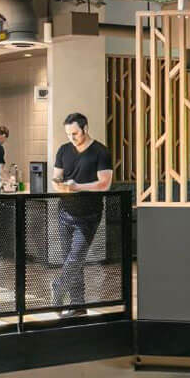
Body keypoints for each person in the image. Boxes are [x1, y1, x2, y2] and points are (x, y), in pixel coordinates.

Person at [51, 112, 112, 316]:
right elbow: (56, 177)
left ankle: (59, 286)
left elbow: (105, 184)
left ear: (85, 129)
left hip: (88, 215)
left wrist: (78, 187)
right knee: (70, 258)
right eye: (68, 134)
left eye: (75, 133)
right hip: (65, 212)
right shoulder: (63, 150)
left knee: (75, 258)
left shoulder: (100, 152)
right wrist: (60, 185)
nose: (71, 138)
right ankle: (78, 305)